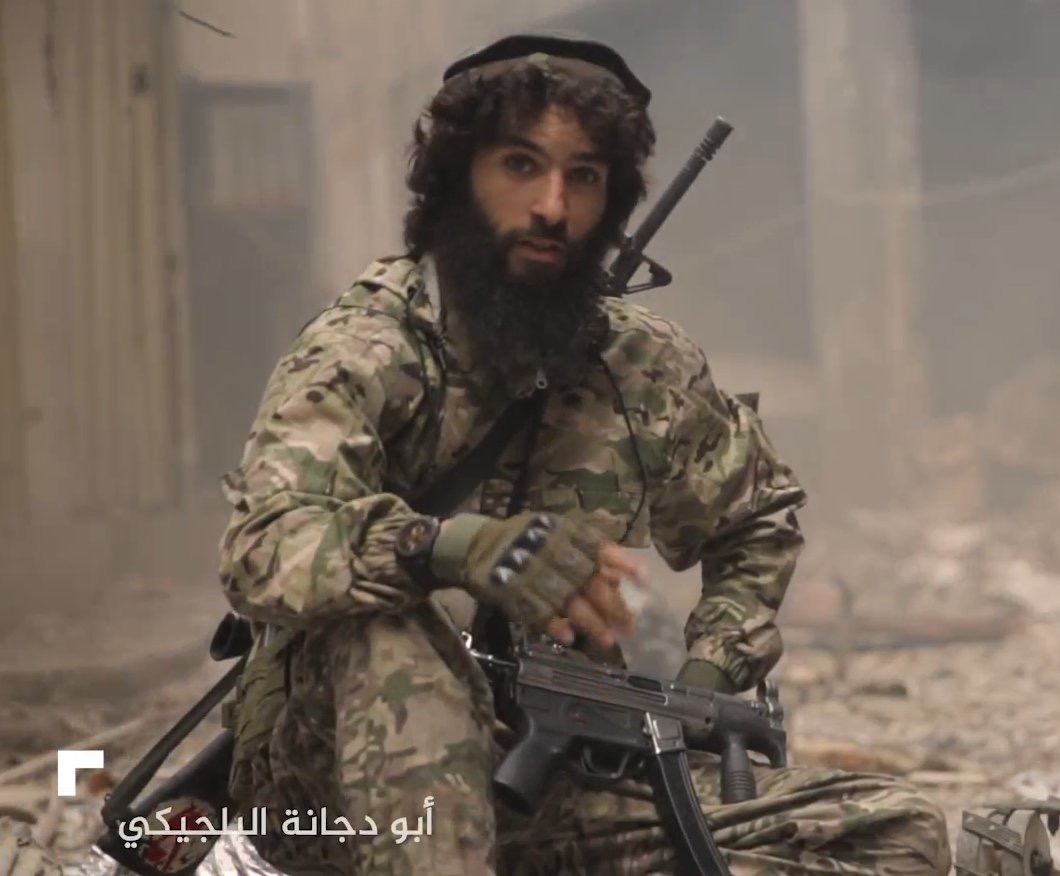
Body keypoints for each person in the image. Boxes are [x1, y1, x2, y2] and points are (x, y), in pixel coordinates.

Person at [216, 32, 952, 876]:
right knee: (397, 638)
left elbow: (757, 521)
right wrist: (445, 548)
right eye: (520, 166)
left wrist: (705, 682)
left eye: (585, 177)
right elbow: (261, 544)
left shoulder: (640, 364)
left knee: (893, 834)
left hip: (549, 782)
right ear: (457, 178)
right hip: (337, 788)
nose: (552, 208)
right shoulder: (366, 348)